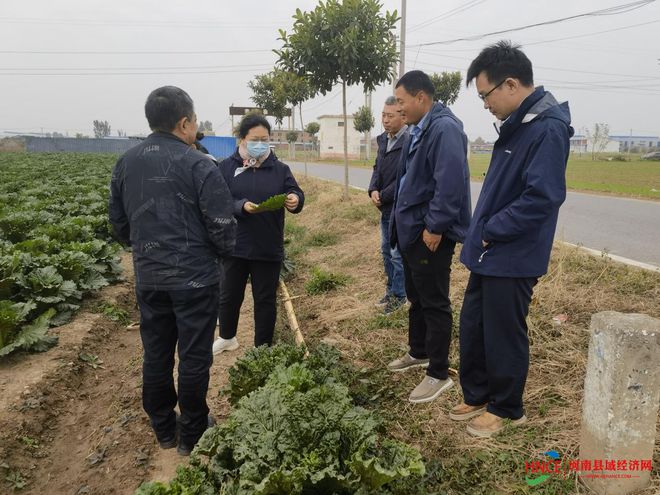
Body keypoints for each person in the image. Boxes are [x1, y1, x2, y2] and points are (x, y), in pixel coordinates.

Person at [451, 41, 572, 437]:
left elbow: (543, 197)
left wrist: (492, 230)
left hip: (513, 252)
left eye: (486, 95)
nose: (485, 104)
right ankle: (479, 392)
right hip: (490, 252)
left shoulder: (547, 129)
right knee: (474, 325)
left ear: (511, 84)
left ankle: (507, 407)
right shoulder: (519, 125)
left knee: (504, 332)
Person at [108, 86, 236, 455]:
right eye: (195, 121)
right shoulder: (199, 164)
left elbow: (118, 223)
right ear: (184, 123)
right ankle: (193, 432)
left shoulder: (126, 162)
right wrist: (218, 257)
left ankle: (164, 428)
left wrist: (148, 248)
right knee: (194, 356)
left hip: (150, 277)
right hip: (195, 281)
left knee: (157, 352)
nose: (196, 127)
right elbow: (223, 227)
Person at [387, 70, 471, 404]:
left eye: (402, 101)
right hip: (413, 231)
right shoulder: (419, 129)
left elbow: (449, 184)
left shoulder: (444, 129)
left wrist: (435, 227)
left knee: (434, 301)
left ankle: (438, 372)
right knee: (417, 296)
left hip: (429, 233)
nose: (399, 107)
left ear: (421, 97)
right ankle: (418, 351)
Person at [212, 113, 304, 354]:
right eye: (255, 139)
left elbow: (295, 191)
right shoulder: (226, 167)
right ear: (242, 139)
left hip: (267, 245)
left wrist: (295, 199)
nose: (260, 144)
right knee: (229, 294)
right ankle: (227, 336)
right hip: (235, 244)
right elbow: (218, 201)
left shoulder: (280, 169)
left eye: (265, 139)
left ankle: (262, 347)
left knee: (264, 300)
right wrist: (240, 206)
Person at [368, 96, 408, 314]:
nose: (385, 119)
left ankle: (400, 296)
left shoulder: (409, 140)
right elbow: (377, 168)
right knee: (385, 251)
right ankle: (391, 290)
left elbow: (405, 177)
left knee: (396, 253)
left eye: (390, 116)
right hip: (383, 205)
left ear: (403, 116)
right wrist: (373, 190)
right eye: (383, 115)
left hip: (398, 207)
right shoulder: (383, 140)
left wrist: (384, 194)